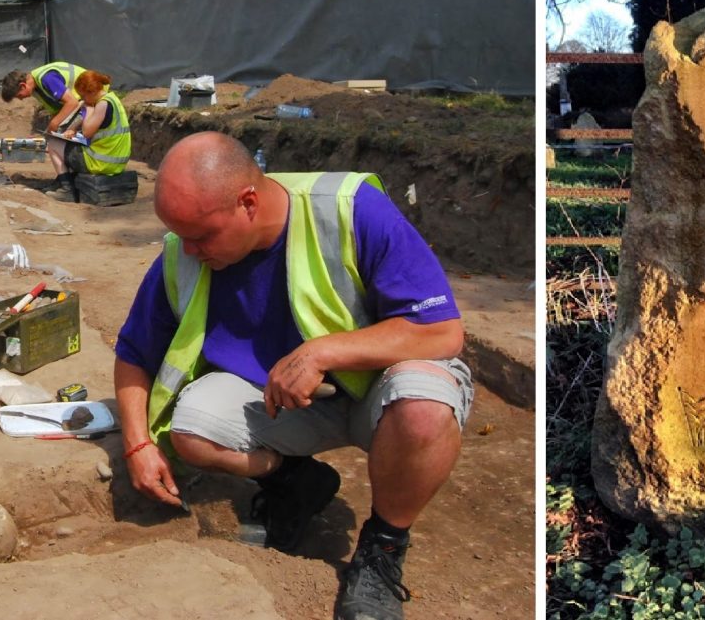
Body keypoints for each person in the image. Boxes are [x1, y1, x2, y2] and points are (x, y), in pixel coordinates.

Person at [113, 132, 472, 620]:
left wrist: (327, 350)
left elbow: (443, 332)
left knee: (426, 407)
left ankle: (383, 549)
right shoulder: (184, 251)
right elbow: (136, 351)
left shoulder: (349, 210)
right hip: (286, 406)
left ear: (247, 203)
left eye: (201, 236)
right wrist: (137, 443)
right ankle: (297, 483)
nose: (191, 251)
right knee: (192, 426)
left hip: (380, 397)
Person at [0, 62, 93, 198]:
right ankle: (63, 179)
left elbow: (71, 102)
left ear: (23, 85)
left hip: (91, 99)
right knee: (55, 137)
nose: (20, 99)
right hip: (84, 101)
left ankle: (67, 187)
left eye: (19, 95)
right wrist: (50, 130)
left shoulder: (47, 79)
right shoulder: (37, 89)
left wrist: (53, 126)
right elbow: (58, 111)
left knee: (57, 141)